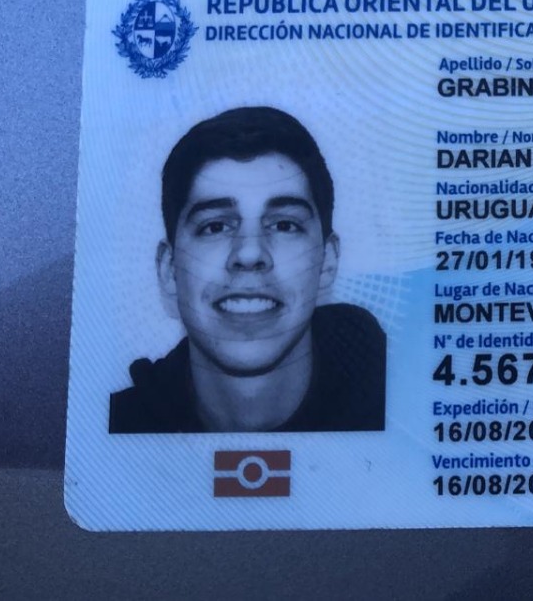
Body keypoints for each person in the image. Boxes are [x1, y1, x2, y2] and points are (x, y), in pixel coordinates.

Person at [109, 106, 385, 433]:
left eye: (284, 225)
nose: (250, 253)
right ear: (170, 272)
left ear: (327, 263)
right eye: (215, 227)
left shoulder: (403, 409)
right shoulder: (113, 431)